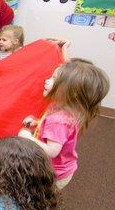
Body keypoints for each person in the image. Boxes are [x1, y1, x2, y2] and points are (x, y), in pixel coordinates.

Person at [18, 55, 109, 189]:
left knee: (39, 198)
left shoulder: (59, 120)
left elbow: (52, 151)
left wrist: (28, 137)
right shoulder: (63, 106)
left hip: (54, 173)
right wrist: (37, 123)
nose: (47, 81)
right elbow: (58, 132)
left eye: (54, 79)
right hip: (58, 168)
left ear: (71, 92)